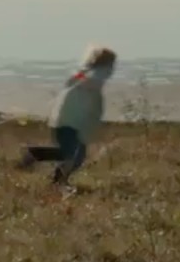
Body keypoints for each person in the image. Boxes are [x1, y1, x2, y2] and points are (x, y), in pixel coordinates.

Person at [21, 45, 117, 185]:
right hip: (72, 122)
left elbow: (73, 82)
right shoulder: (95, 75)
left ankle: (54, 175)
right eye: (112, 64)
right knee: (72, 155)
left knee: (71, 154)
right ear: (106, 64)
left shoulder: (82, 74)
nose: (113, 68)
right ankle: (49, 170)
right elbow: (91, 83)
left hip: (67, 120)